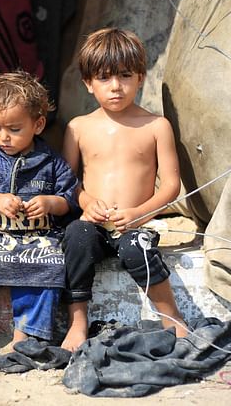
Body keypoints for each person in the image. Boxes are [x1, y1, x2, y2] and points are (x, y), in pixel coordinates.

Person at [60, 28, 188, 352]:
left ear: (141, 78)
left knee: (137, 247)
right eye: (104, 77)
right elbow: (67, 182)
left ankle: (171, 317)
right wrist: (86, 202)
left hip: (137, 223)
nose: (115, 86)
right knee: (76, 236)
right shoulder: (78, 128)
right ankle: (78, 321)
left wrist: (137, 214)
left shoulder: (156, 126)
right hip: (95, 224)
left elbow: (171, 184)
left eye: (125, 75)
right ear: (88, 83)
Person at [0, 71, 79, 370]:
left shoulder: (51, 162)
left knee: (48, 268)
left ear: (38, 124)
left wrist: (52, 203)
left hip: (36, 240)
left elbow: (70, 198)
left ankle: (22, 336)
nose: (3, 137)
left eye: (13, 128)